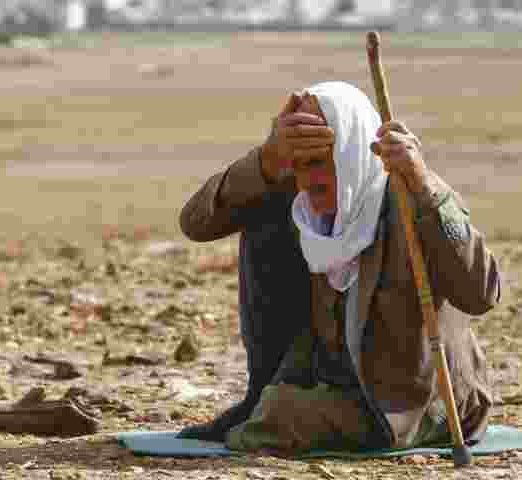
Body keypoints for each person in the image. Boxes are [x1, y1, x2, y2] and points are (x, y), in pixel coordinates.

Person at [177, 81, 502, 453]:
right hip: (330, 383)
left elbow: (481, 294)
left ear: (354, 152)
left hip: (411, 404)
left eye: (320, 163)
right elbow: (196, 223)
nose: (309, 179)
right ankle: (261, 399)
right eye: (298, 164)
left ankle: (269, 410)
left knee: (281, 417)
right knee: (262, 215)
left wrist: (425, 187)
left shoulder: (412, 198)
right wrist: (268, 159)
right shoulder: (303, 205)